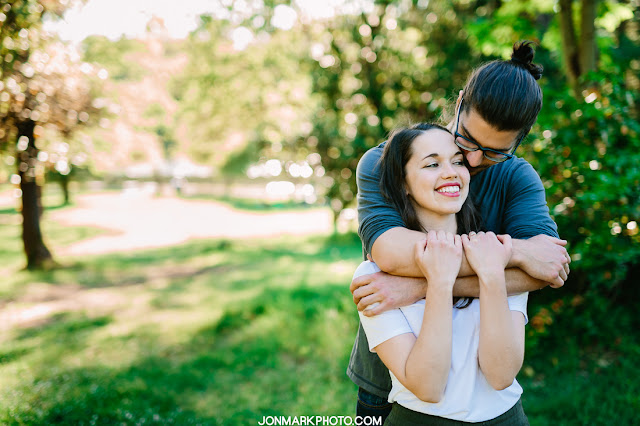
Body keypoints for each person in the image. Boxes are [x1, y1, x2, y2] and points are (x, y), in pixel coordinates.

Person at [347, 41, 571, 422]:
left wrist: (415, 286)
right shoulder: (387, 161)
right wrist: (513, 252)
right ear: (461, 101)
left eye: (494, 152)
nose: (471, 161)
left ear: (522, 137)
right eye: (467, 139)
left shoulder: (518, 178)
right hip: (387, 379)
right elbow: (390, 250)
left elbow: (546, 270)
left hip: (483, 388)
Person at [356, 122, 530, 424]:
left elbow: (501, 376)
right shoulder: (374, 277)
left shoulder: (495, 254)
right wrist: (438, 281)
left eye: (458, 162)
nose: (451, 172)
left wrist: (491, 276)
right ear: (404, 184)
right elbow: (429, 387)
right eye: (432, 164)